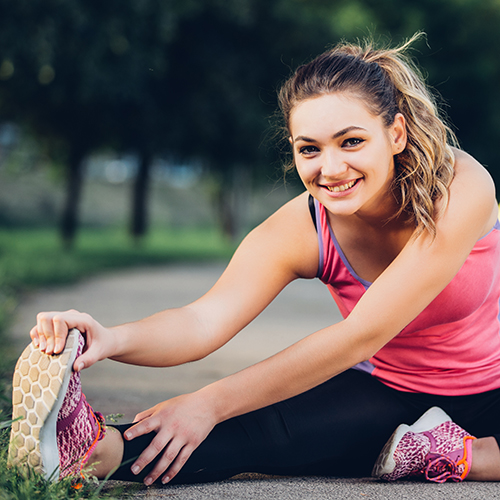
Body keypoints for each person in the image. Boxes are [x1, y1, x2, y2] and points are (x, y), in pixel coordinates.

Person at [8, 33, 500, 486]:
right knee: (265, 433)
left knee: (215, 409)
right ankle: (91, 449)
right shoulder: (303, 227)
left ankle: (463, 456)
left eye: (352, 141)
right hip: (393, 389)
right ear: (294, 149)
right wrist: (112, 337)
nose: (331, 168)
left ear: (395, 134)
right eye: (311, 149)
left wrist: (209, 400)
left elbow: (362, 334)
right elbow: (203, 321)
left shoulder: (460, 186)